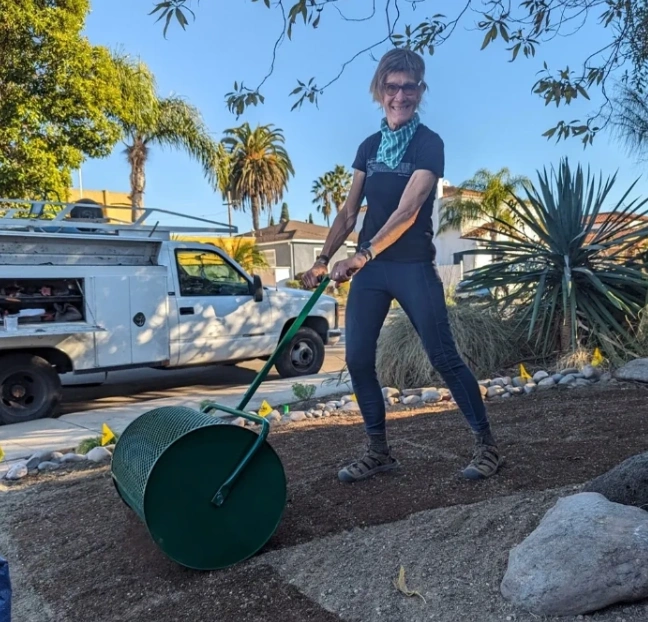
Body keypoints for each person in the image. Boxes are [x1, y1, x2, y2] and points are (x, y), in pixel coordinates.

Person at [301, 48, 502, 484]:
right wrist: (322, 258)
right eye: (392, 86)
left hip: (410, 266)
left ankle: (487, 446)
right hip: (371, 274)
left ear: (420, 90)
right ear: (379, 91)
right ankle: (378, 452)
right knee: (356, 358)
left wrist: (363, 254)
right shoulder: (368, 148)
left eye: (409, 86)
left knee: (444, 357)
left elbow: (408, 211)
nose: (400, 95)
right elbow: (348, 212)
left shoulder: (429, 143)